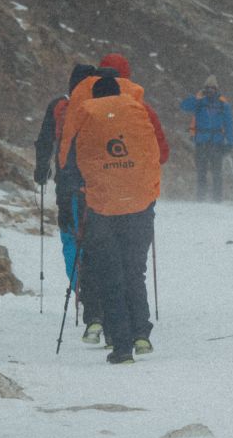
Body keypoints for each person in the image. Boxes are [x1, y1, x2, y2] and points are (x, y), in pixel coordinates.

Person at [57, 53, 169, 345]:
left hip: (100, 204)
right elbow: (162, 154)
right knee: (134, 270)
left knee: (105, 268)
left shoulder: (83, 112)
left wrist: (80, 188)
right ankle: (141, 334)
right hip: (139, 203)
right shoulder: (141, 110)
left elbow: (68, 161)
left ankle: (110, 335)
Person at [34, 64, 99, 334]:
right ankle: (100, 293)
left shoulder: (60, 106)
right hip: (97, 186)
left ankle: (81, 289)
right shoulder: (102, 107)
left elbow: (44, 141)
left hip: (66, 186)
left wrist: (41, 173)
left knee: (71, 237)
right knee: (96, 239)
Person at [180, 75, 233, 202]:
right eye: (207, 88)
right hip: (201, 142)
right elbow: (183, 106)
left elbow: (229, 124)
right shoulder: (199, 102)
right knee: (201, 172)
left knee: (217, 173)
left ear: (217, 89)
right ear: (204, 89)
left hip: (217, 143)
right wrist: (197, 96)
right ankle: (201, 198)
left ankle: (217, 199)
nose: (210, 91)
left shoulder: (223, 105)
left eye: (212, 88)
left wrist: (231, 142)